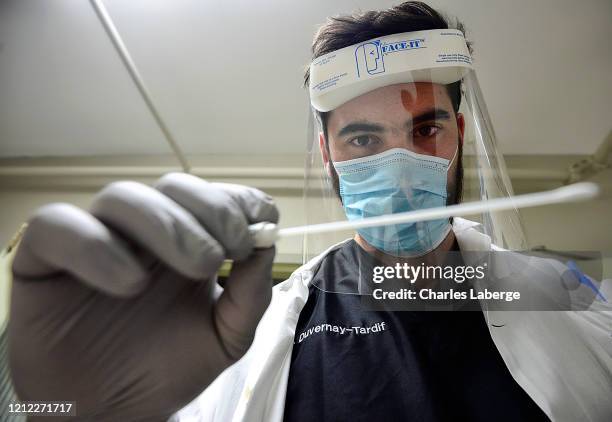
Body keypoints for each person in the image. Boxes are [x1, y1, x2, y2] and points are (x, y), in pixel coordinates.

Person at [7, 2, 612, 422]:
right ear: (327, 152)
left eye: (426, 129)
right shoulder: (259, 334)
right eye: (365, 140)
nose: (402, 166)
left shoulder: (565, 301)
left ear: (459, 134)